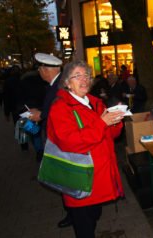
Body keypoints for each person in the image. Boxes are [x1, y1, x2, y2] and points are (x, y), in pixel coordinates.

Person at [46, 60, 125, 238]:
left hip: (100, 177)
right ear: (67, 82)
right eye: (77, 76)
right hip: (80, 179)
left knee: (94, 216)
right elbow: (70, 142)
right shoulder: (60, 108)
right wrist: (101, 123)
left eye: (87, 76)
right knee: (84, 228)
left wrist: (115, 122)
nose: (84, 80)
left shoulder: (96, 103)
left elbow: (110, 135)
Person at [27, 53, 73, 228]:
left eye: (40, 68)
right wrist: (41, 112)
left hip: (61, 141)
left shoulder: (59, 86)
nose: (39, 72)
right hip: (58, 139)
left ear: (46, 70)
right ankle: (71, 210)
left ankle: (72, 212)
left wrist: (42, 115)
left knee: (65, 178)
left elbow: (60, 110)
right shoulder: (55, 84)